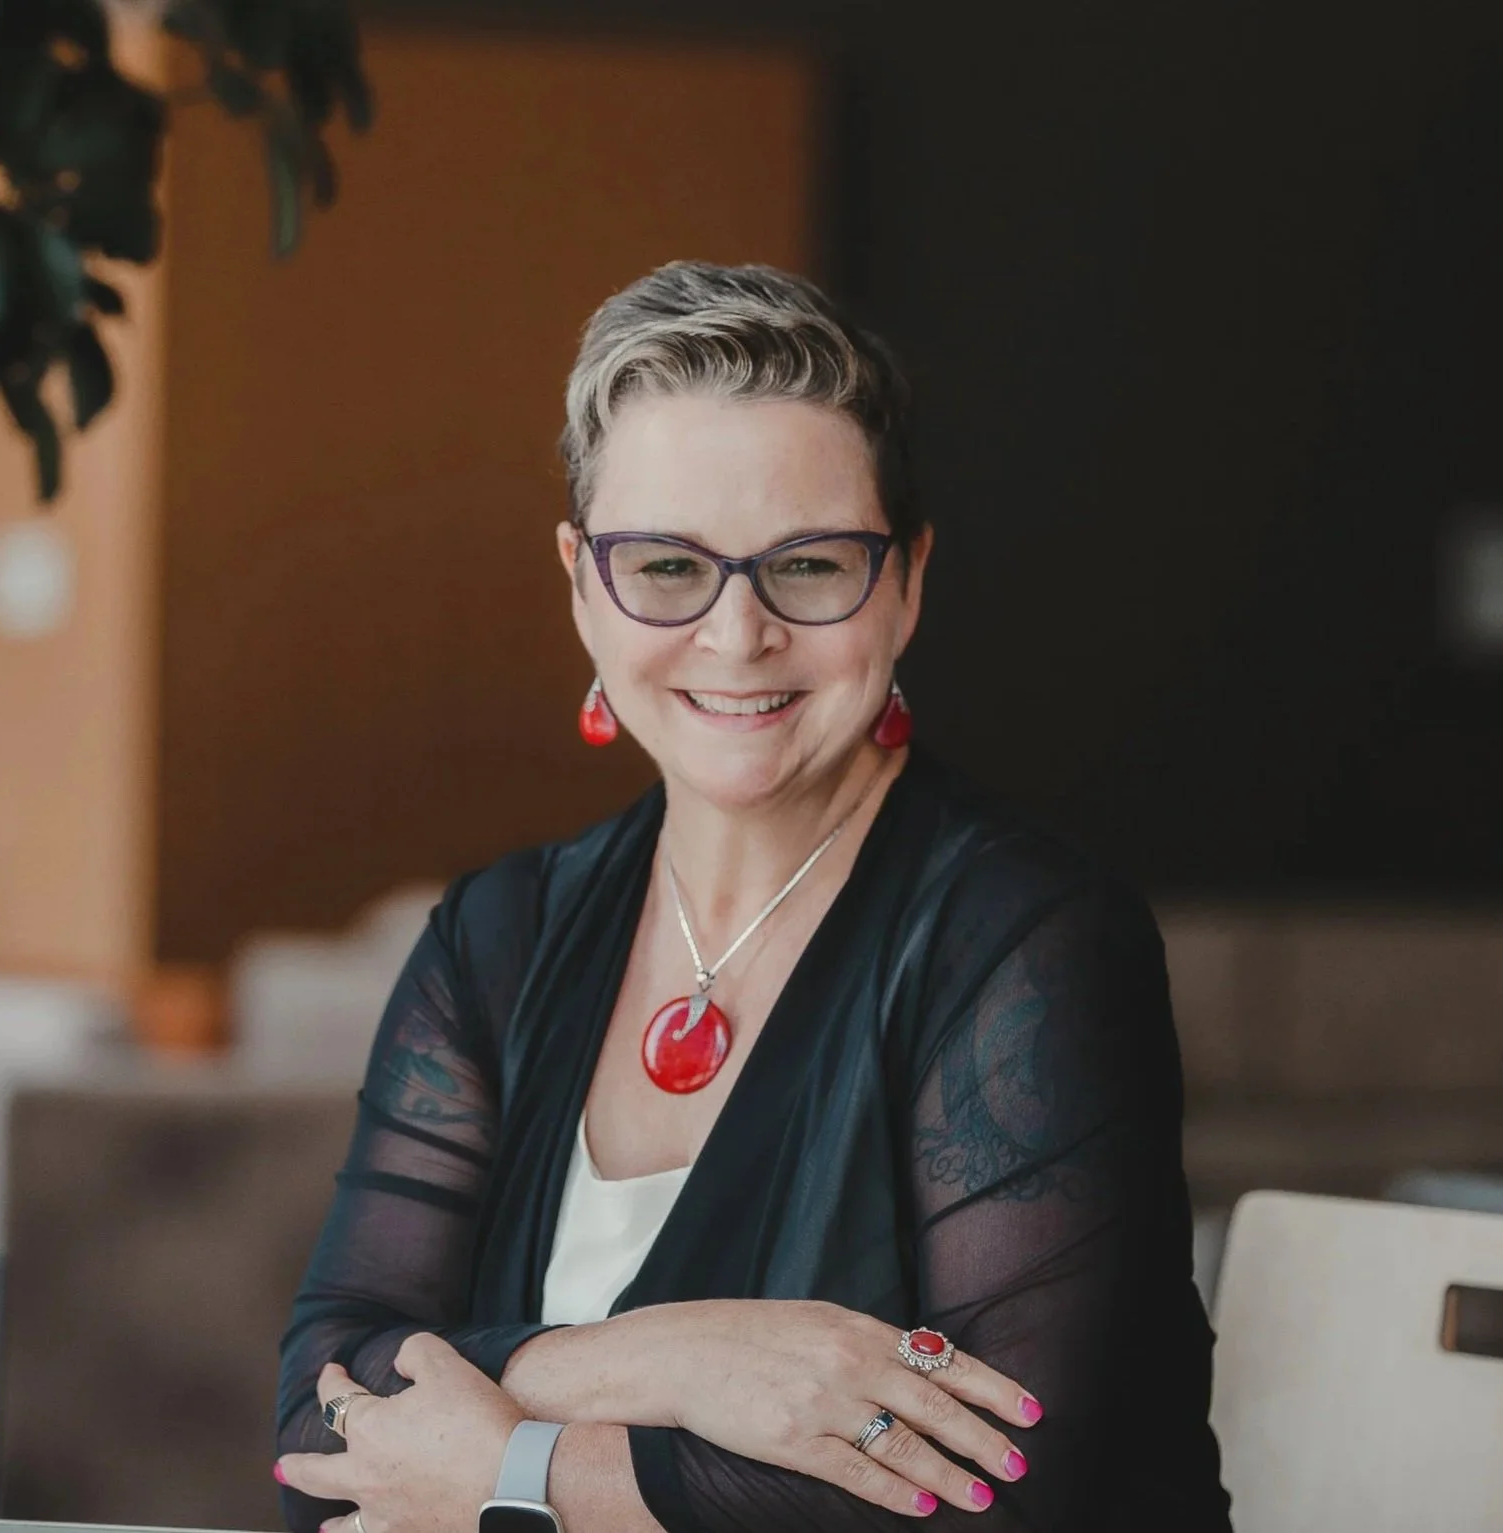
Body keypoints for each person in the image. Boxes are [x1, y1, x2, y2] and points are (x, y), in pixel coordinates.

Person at [274, 261, 1233, 1532]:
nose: (738, 636)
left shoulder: (1031, 942)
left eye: (812, 564)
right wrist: (673, 1360)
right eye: (667, 565)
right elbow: (317, 1428)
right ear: (579, 581)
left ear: (907, 581)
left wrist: (517, 1469)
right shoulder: (492, 939)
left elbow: (1009, 1494)